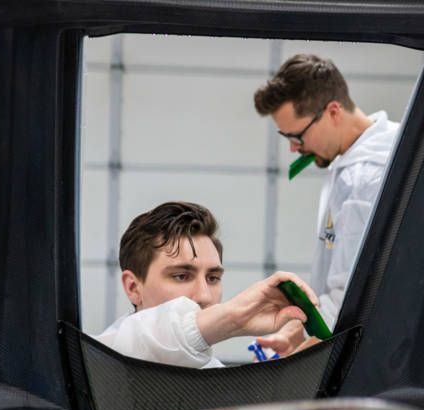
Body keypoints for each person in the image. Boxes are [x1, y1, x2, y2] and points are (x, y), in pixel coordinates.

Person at [254, 53, 400, 354]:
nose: (295, 148)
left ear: (333, 111)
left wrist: (303, 355)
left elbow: (348, 290)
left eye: (297, 135)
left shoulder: (370, 176)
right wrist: (295, 332)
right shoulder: (348, 163)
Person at [95, 201, 317, 368]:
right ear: (133, 288)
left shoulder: (213, 371)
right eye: (181, 276)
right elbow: (149, 339)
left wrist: (280, 380)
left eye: (213, 278)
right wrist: (234, 317)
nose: (204, 296)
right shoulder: (104, 359)